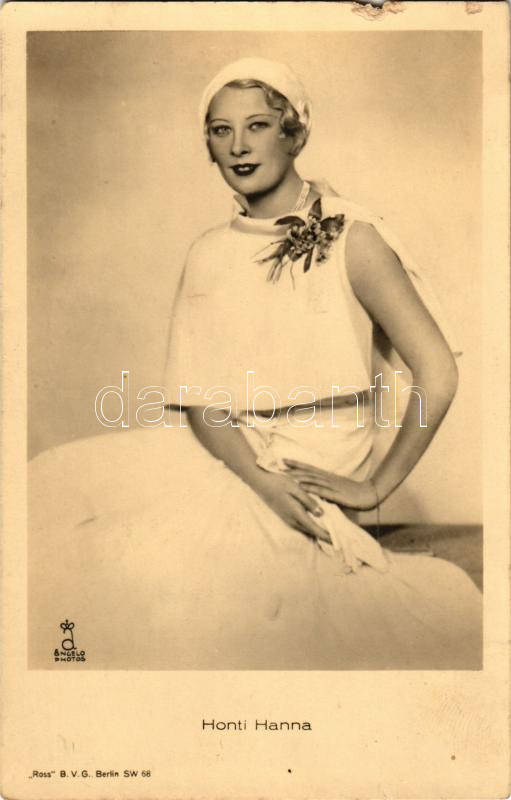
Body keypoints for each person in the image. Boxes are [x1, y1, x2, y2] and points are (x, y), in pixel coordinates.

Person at [28, 57, 482, 670]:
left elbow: (439, 373)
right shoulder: (208, 252)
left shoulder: (354, 239)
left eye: (259, 126)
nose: (239, 146)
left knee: (166, 581)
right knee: (53, 495)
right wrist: (260, 480)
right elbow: (203, 403)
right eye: (221, 130)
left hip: (316, 464)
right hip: (232, 458)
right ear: (209, 146)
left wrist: (377, 486)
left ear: (295, 134)